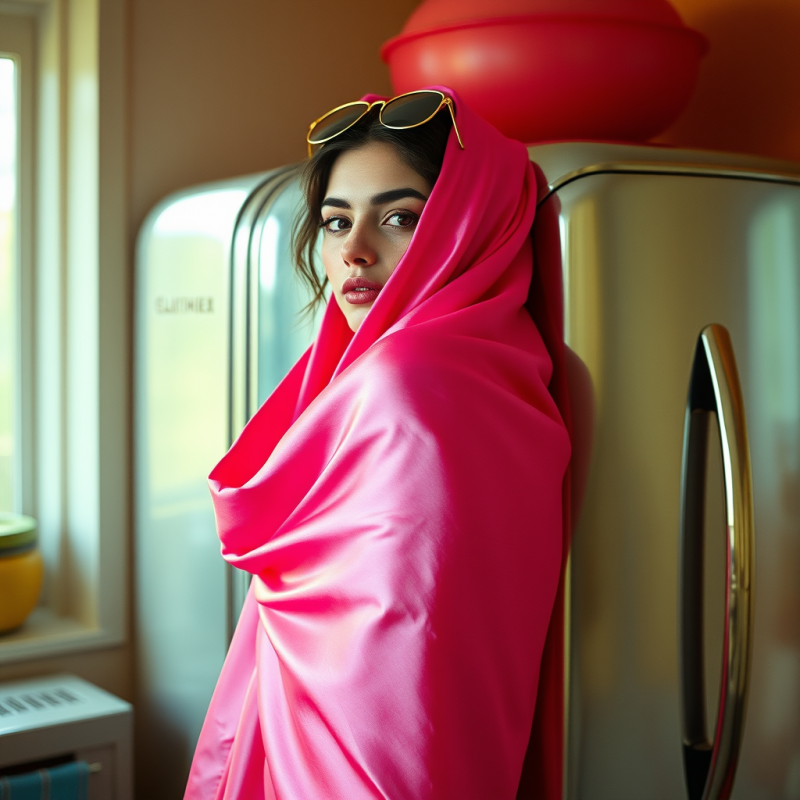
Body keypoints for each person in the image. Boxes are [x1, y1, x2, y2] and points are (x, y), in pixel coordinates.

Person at [183, 86, 571, 800]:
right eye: (336, 222)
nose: (354, 253)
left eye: (398, 218)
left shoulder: (405, 383)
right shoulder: (506, 363)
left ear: (469, 226)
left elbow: (389, 692)